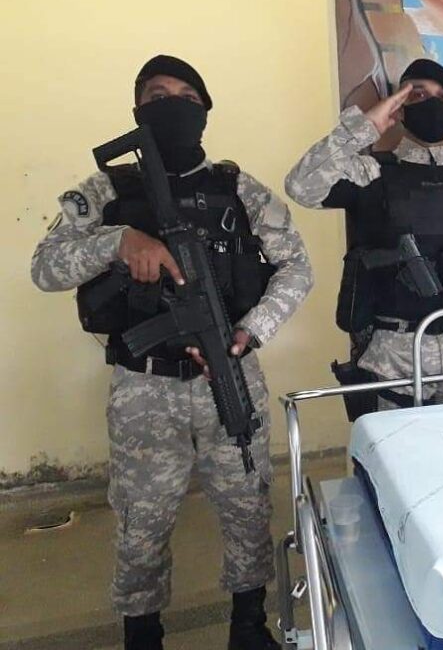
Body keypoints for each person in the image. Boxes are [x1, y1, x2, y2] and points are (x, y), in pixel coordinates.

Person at [31, 55, 312, 650]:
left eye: (186, 96)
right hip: (145, 388)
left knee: (247, 507)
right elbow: (45, 268)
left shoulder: (238, 189)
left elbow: (297, 267)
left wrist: (252, 330)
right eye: (157, 95)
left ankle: (248, 626)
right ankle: (142, 634)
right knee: (141, 520)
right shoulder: (105, 190)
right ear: (137, 109)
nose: (173, 105)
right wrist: (118, 241)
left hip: (230, 373)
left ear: (205, 110)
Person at [284, 59, 443, 410]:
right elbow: (300, 186)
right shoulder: (370, 172)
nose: (433, 103)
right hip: (394, 351)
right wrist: (365, 126)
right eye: (418, 95)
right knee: (393, 443)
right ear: (398, 108)